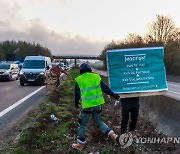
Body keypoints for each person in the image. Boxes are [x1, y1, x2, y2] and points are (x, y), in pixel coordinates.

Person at [72, 63, 120, 151]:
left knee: (82, 123)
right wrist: (114, 95)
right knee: (99, 122)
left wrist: (76, 103)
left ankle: (80, 144)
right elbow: (105, 89)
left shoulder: (79, 79)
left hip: (87, 106)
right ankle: (113, 136)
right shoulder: (96, 77)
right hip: (97, 104)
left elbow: (77, 95)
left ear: (81, 71)